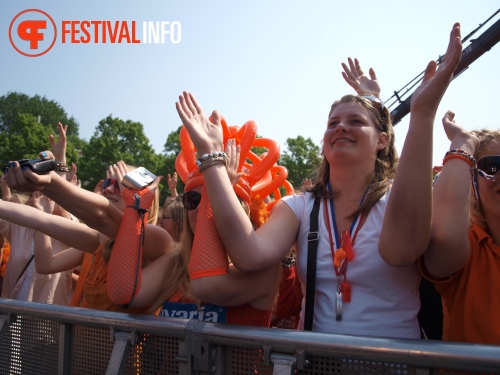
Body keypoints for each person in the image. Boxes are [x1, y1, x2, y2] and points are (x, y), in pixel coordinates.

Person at [174, 22, 462, 338]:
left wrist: (422, 113)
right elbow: (248, 254)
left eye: (355, 122)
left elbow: (404, 249)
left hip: (393, 362)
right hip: (320, 361)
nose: (340, 128)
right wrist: (211, 157)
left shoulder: (398, 197)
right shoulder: (300, 206)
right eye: (333, 123)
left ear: (381, 141)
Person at [3, 158, 173, 313]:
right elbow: (41, 223)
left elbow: (102, 217)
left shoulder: (158, 238)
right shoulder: (103, 240)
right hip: (85, 344)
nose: (107, 189)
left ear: (145, 195)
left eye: (120, 184)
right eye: (107, 182)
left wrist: (49, 181)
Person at [416, 109, 500, 344]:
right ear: (471, 183)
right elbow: (443, 234)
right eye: (493, 166)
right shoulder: (469, 249)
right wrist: (463, 143)